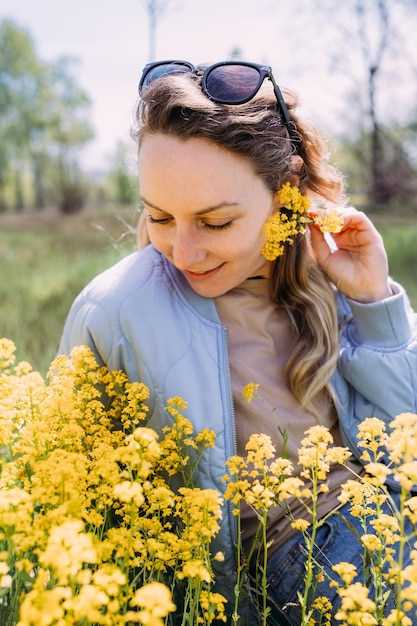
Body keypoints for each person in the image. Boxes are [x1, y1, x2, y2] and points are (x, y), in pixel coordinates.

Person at [57, 60, 417, 625]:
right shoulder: (117, 310)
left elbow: (405, 449)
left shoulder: (334, 267)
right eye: (160, 217)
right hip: (298, 562)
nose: (183, 251)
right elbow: (79, 502)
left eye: (216, 222)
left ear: (286, 191)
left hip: (392, 518)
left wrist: (375, 305)